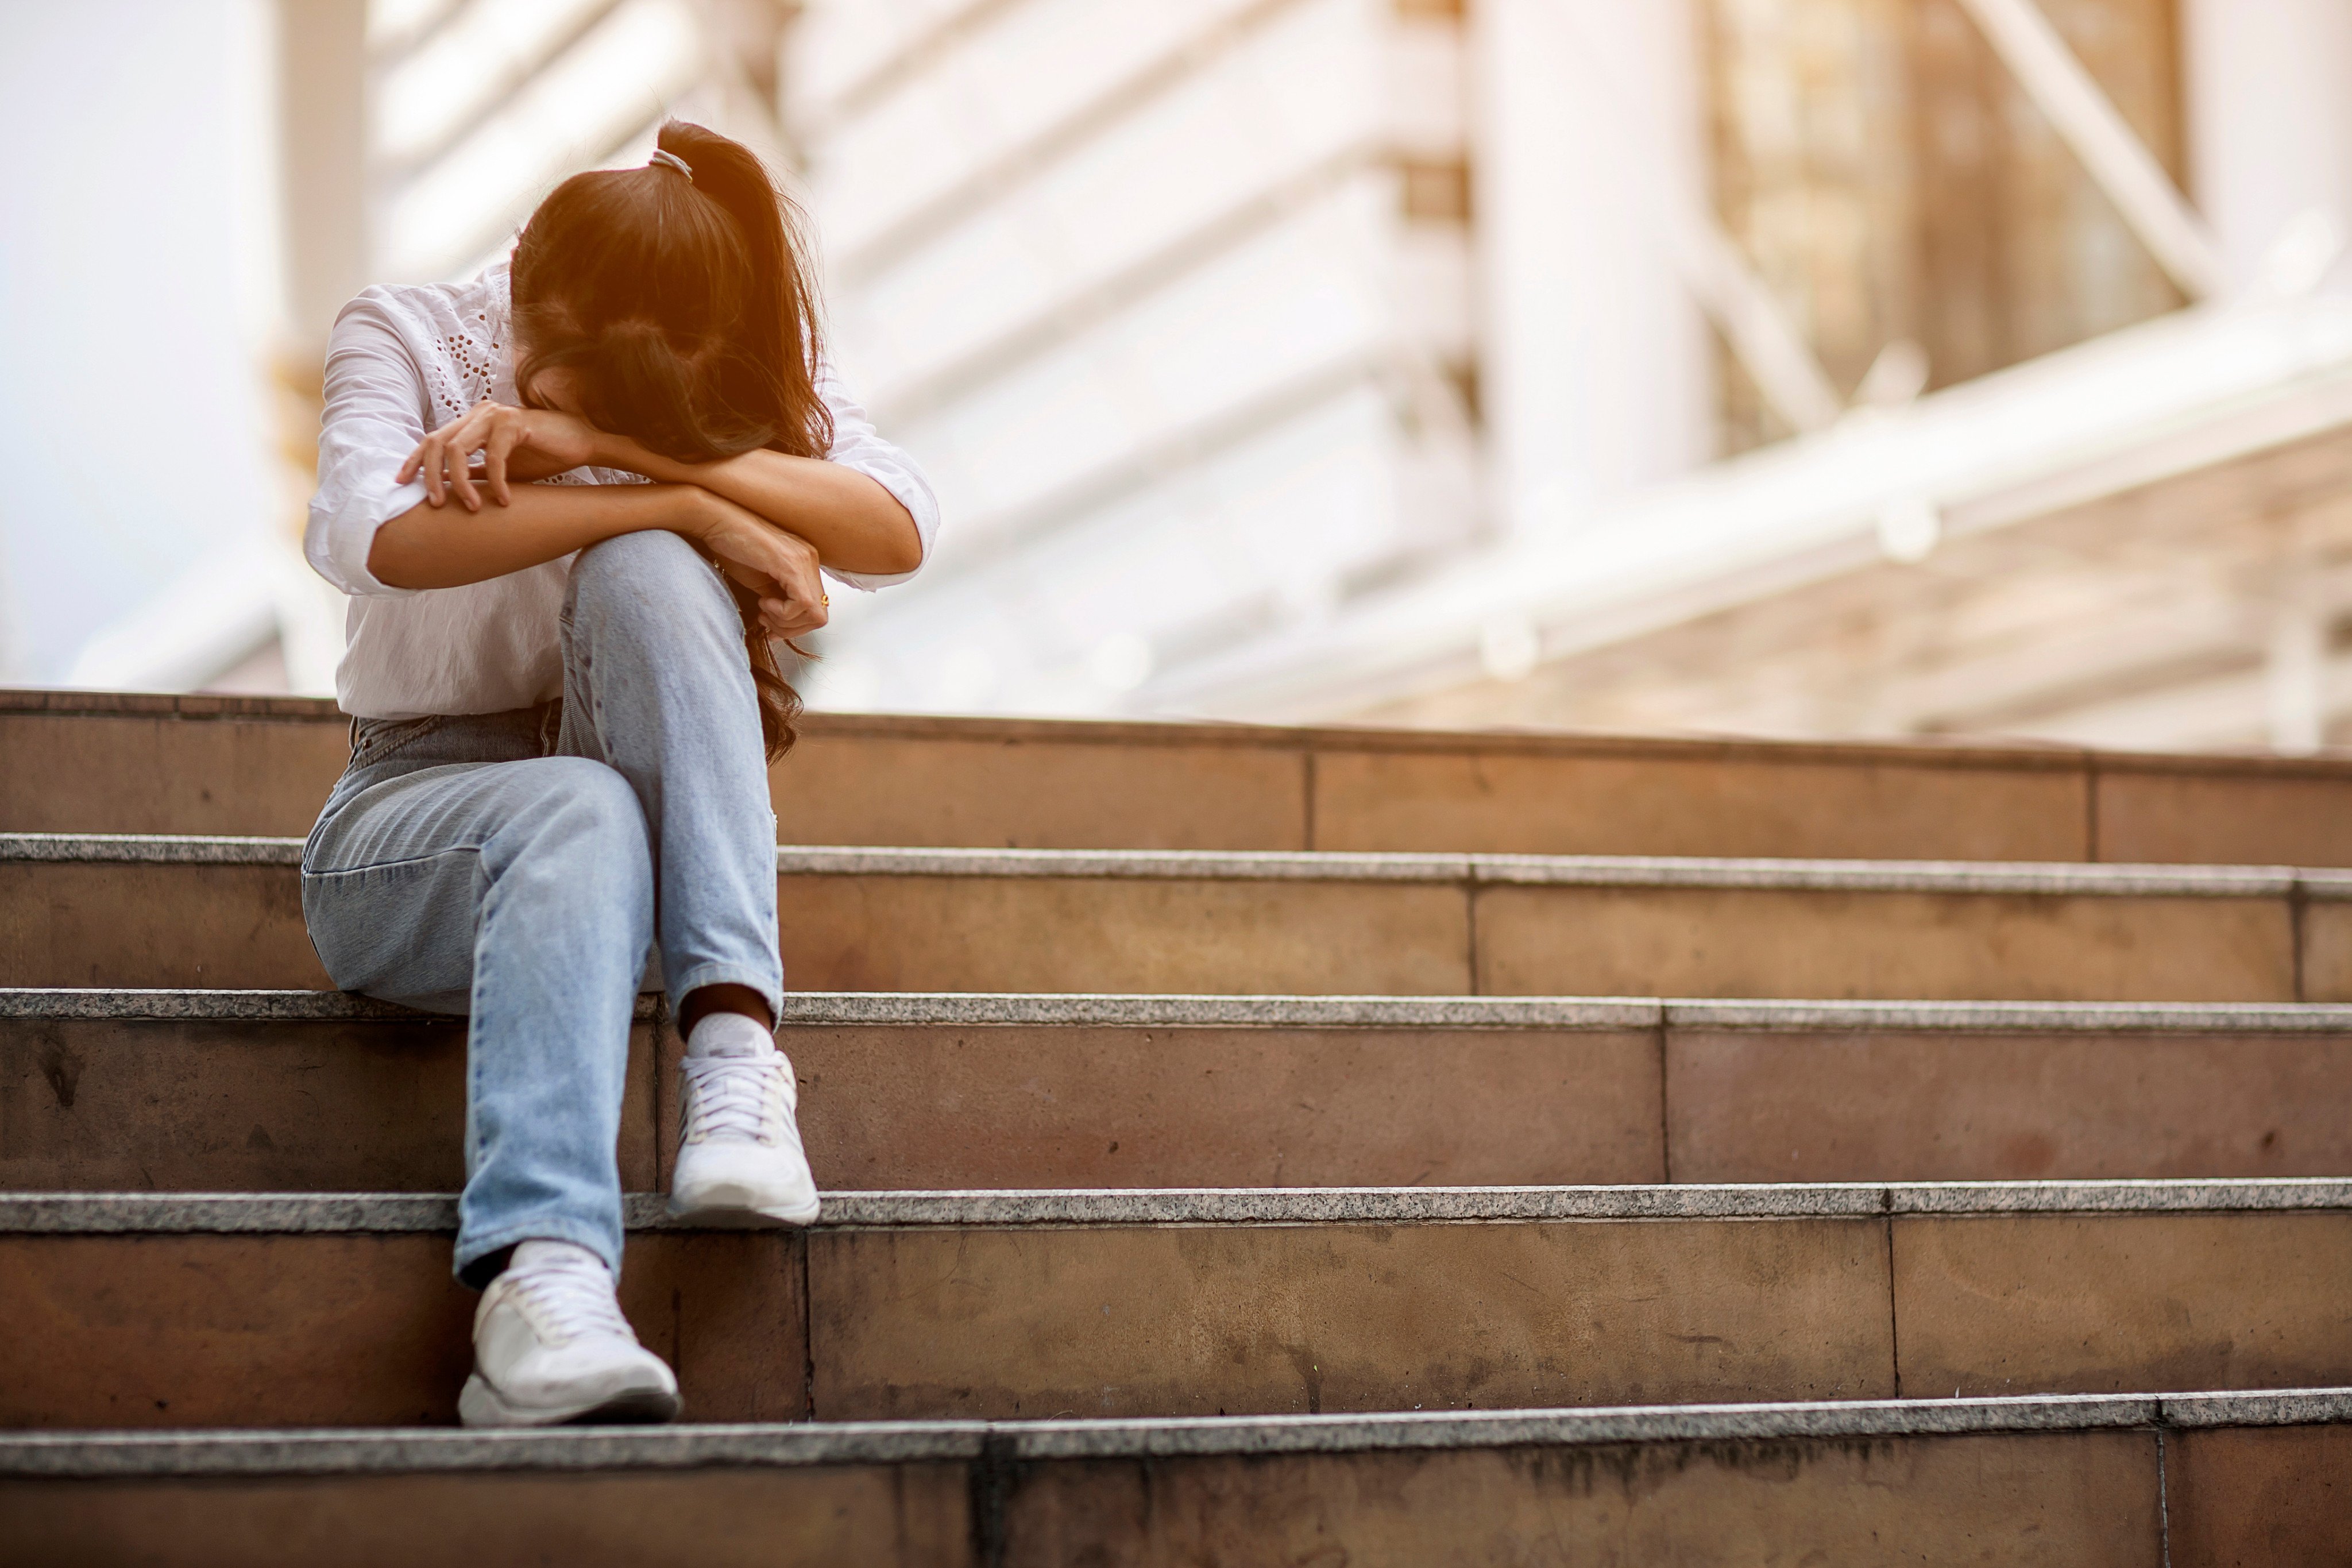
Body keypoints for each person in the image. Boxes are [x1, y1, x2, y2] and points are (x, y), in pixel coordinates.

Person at [299, 121, 935, 1428]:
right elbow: (368, 533)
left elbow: (896, 526)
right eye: (554, 378)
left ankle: (732, 1054)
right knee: (583, 784)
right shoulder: (408, 335)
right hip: (409, 830)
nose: (561, 402)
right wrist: (689, 511)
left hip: (643, 861)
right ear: (523, 267)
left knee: (638, 599)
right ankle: (545, 1281)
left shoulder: (704, 327)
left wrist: (649, 454)